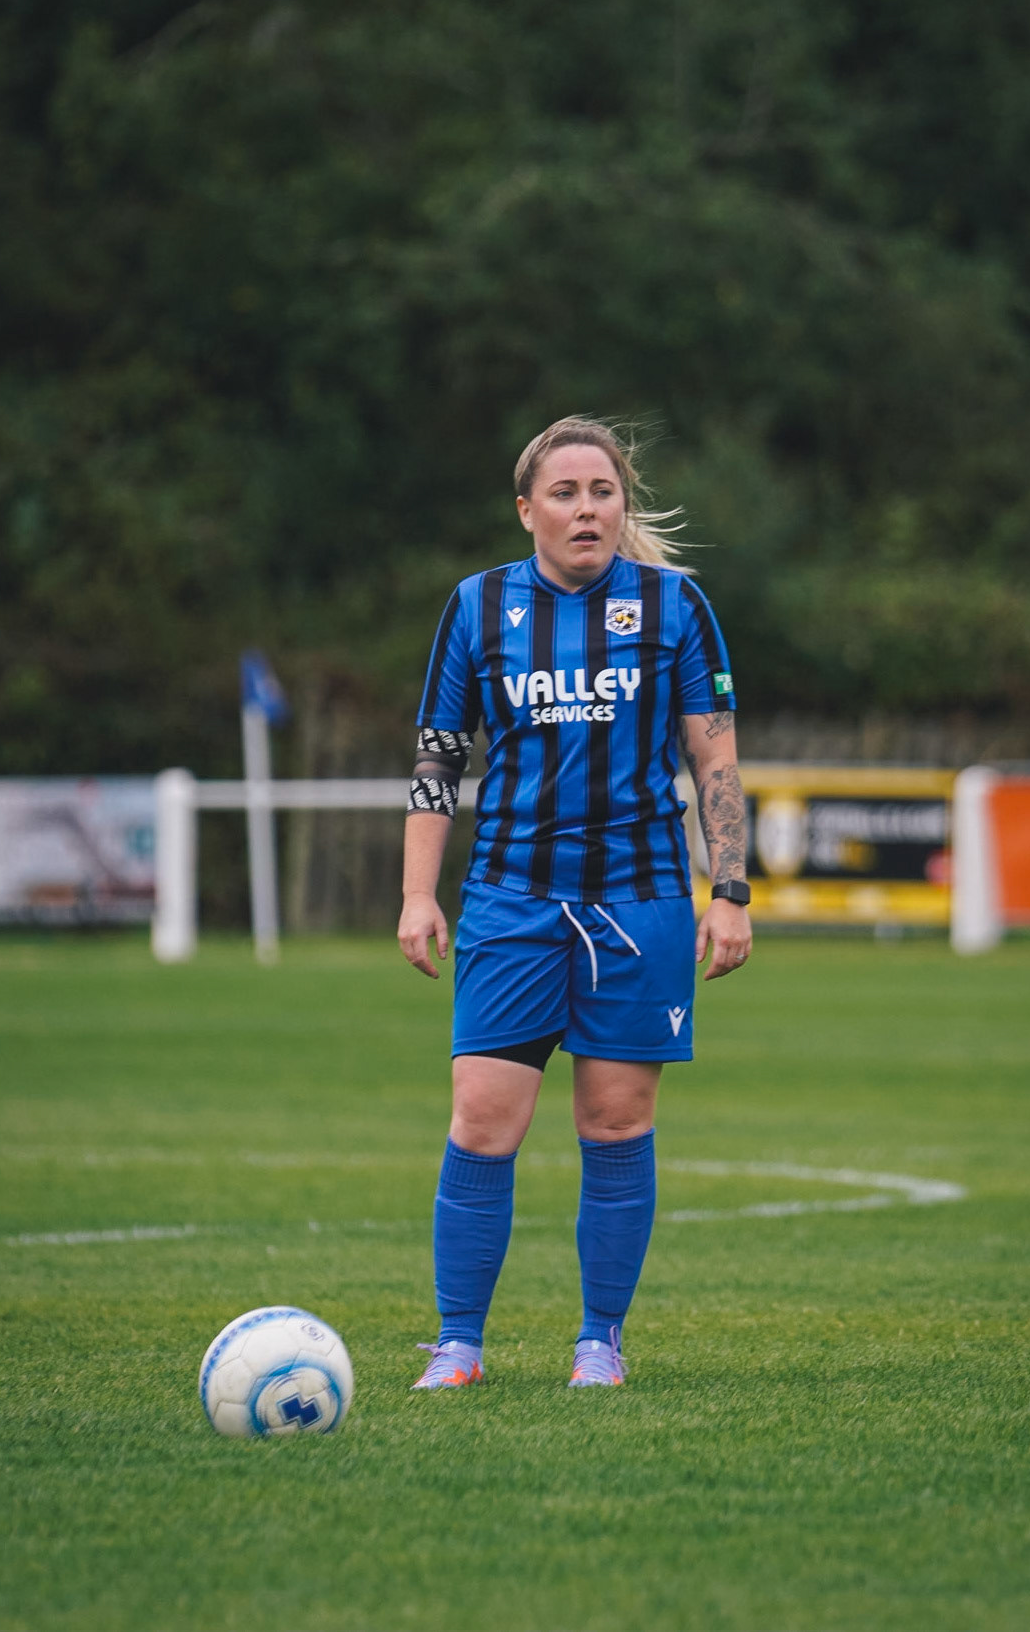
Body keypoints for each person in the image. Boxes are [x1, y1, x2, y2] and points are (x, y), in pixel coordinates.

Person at [397, 415, 751, 1389]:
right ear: (527, 511)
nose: (587, 509)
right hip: (512, 901)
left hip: (640, 904)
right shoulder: (477, 607)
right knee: (482, 1120)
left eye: (603, 492)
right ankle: (459, 1344)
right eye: (565, 493)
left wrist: (729, 891)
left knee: (615, 1124)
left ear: (622, 506)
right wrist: (418, 893)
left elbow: (715, 760)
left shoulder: (675, 606)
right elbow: (438, 759)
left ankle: (600, 1341)